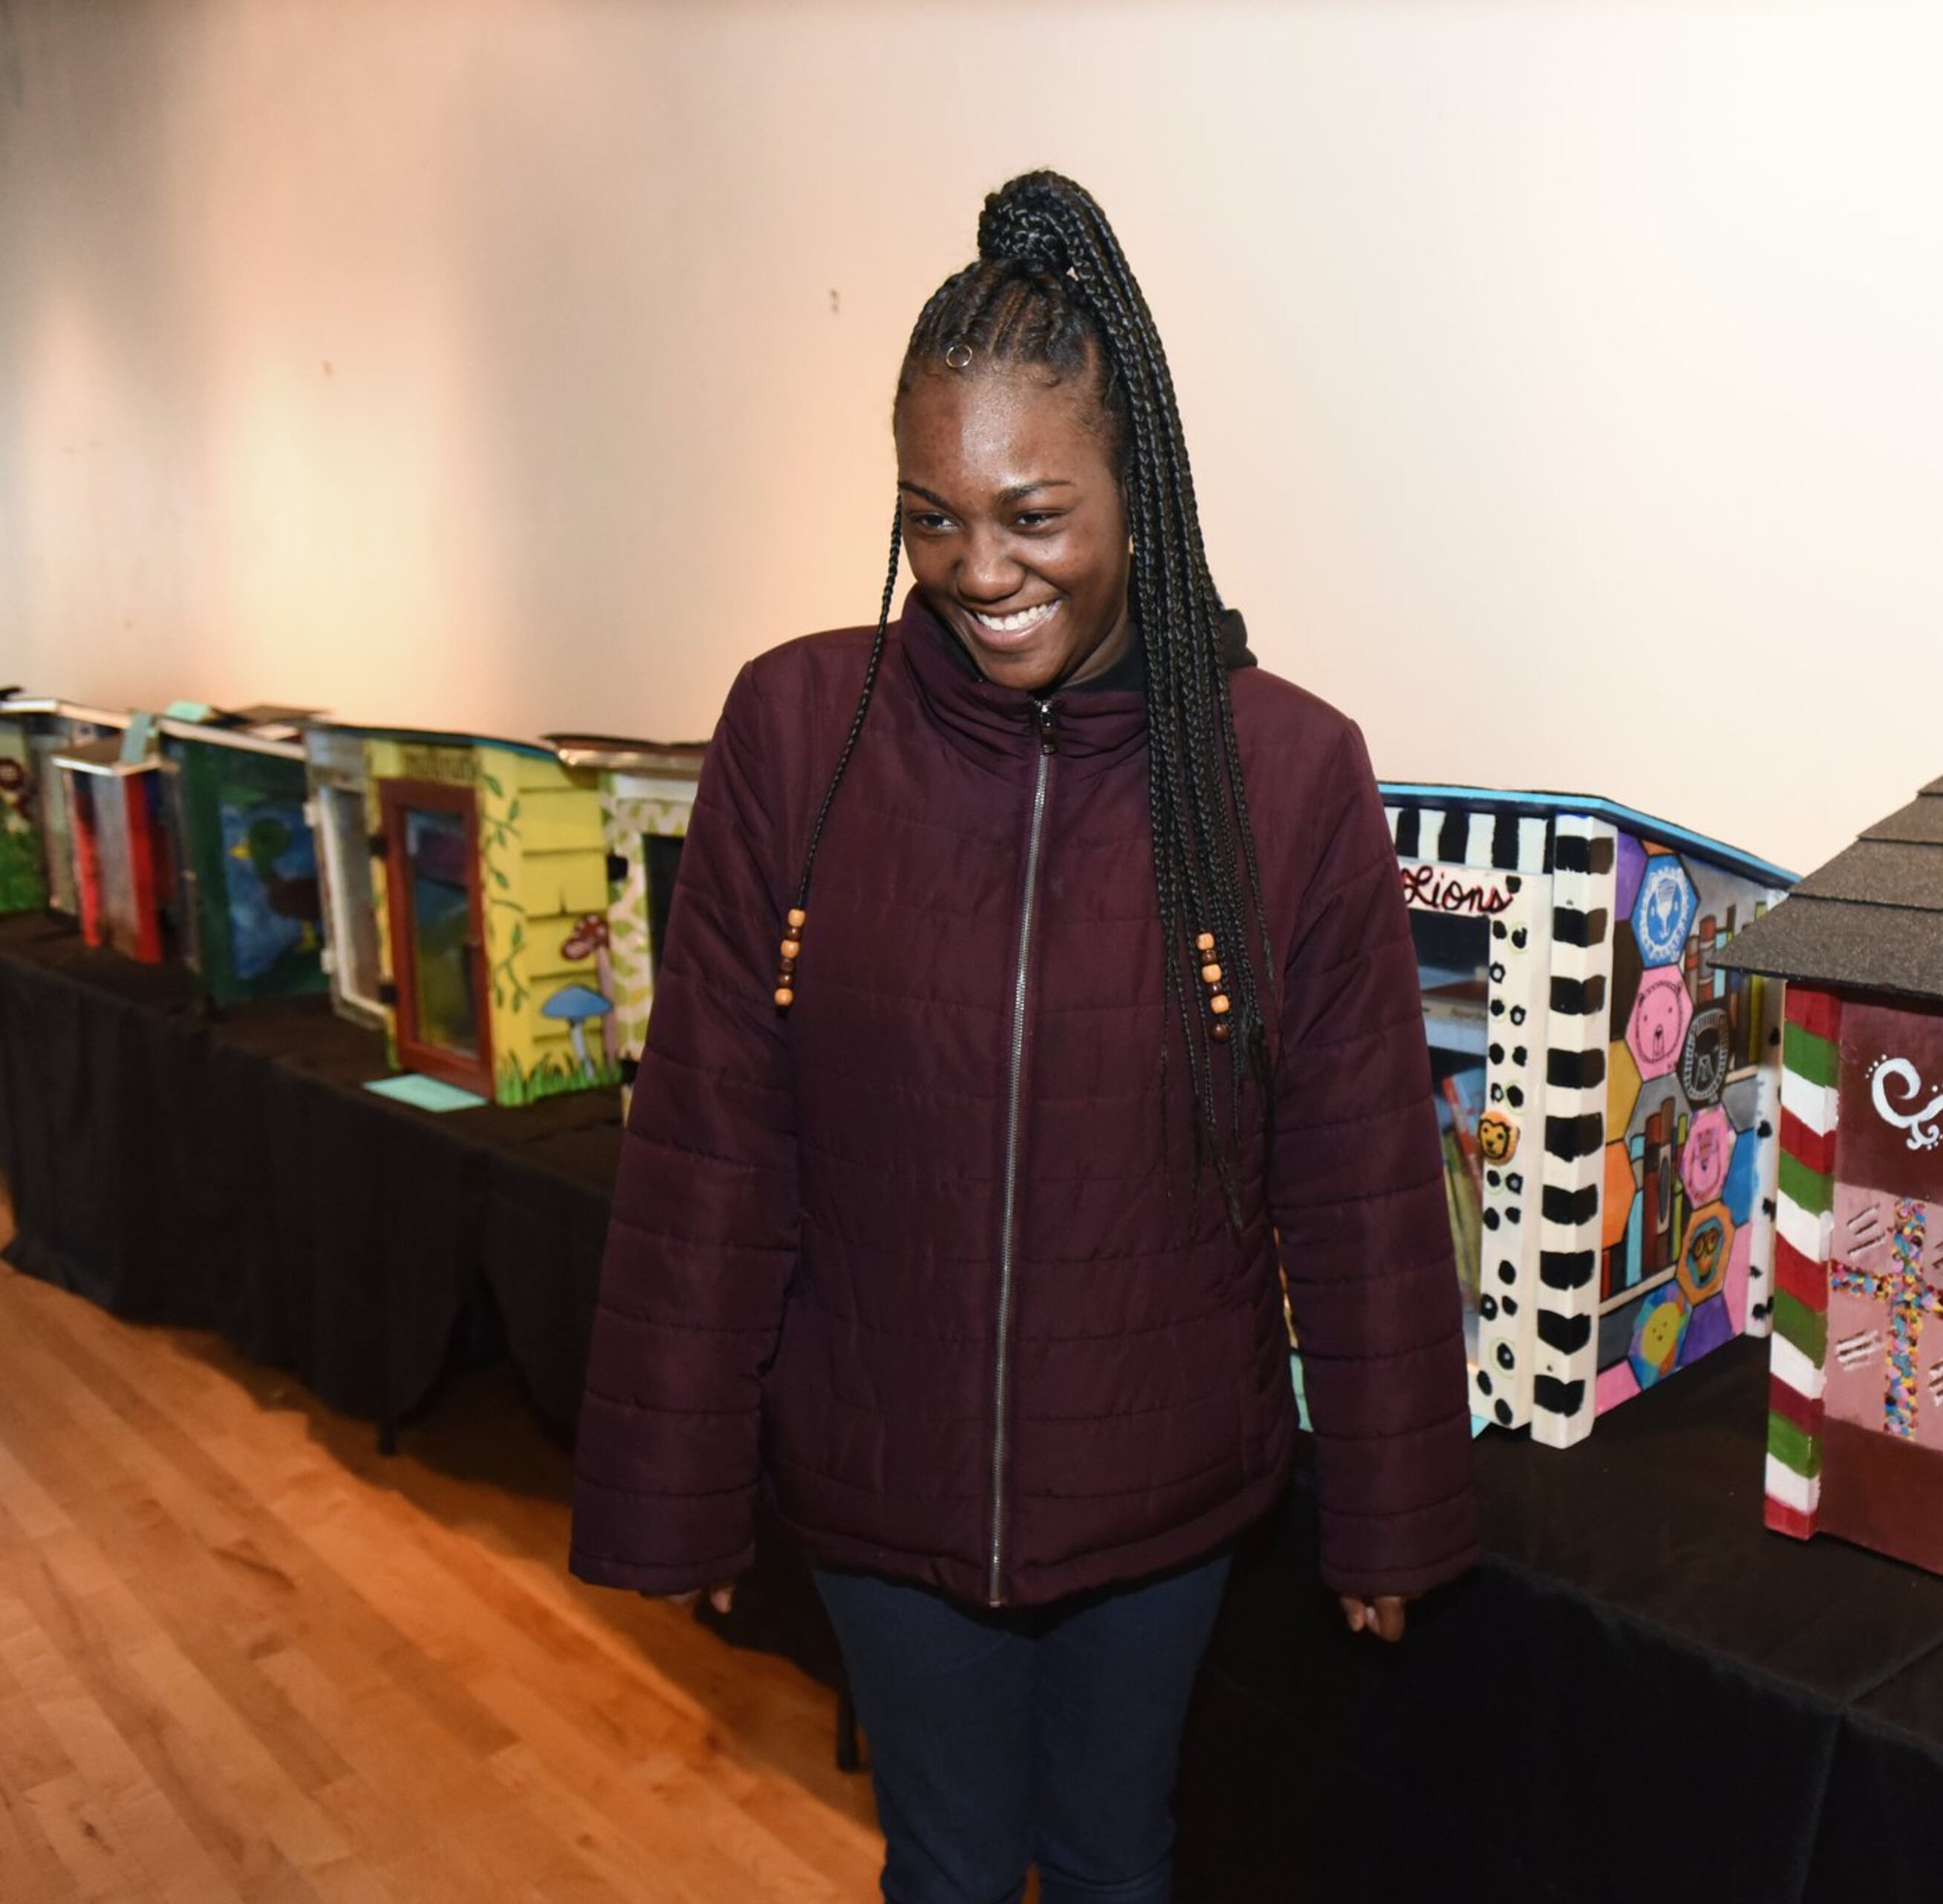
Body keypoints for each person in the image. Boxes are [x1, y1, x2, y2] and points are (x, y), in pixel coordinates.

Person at [567, 169, 1478, 1904]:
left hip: (1159, 1488)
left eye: (1035, 514)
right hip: (878, 1479)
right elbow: (712, 1139)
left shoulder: (1283, 774)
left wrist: (1391, 1506)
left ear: (1140, 488)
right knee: (949, 1864)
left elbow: (1358, 1171)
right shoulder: (797, 730)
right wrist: (676, 1480)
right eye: (931, 519)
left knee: (1118, 1861)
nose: (978, 571)